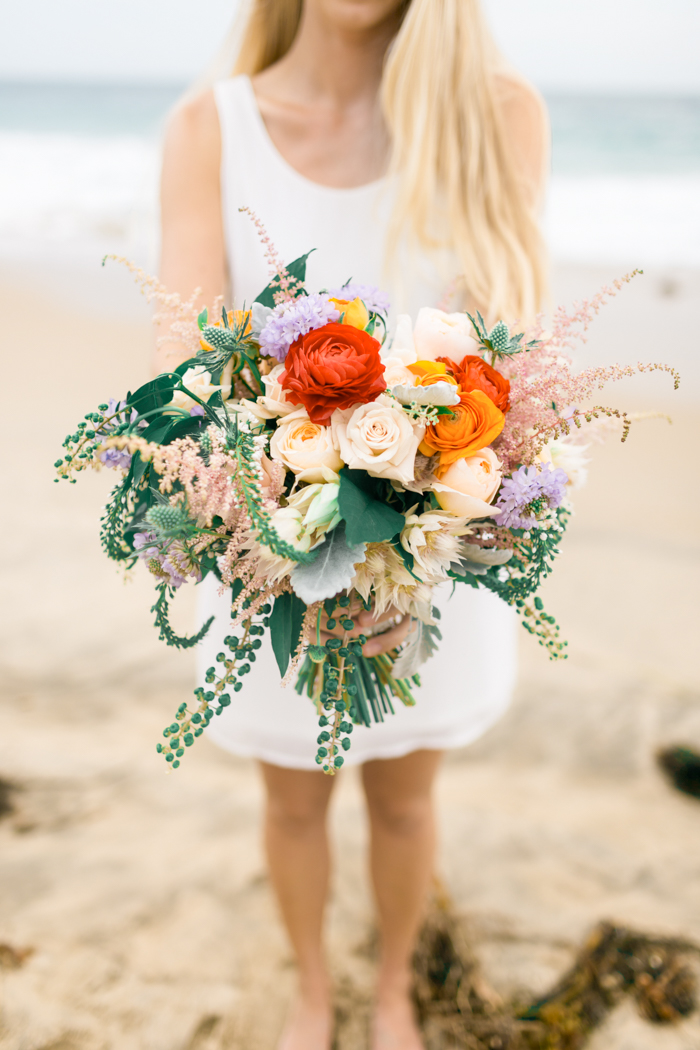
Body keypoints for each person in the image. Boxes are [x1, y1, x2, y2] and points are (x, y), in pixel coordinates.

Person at [157, 1, 549, 1047]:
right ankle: (312, 994)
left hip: (440, 544)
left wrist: (405, 552)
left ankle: (389, 999)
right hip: (262, 552)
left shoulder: (495, 114)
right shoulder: (212, 127)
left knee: (407, 803)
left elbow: (508, 365)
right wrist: (278, 535)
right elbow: (187, 376)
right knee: (290, 803)